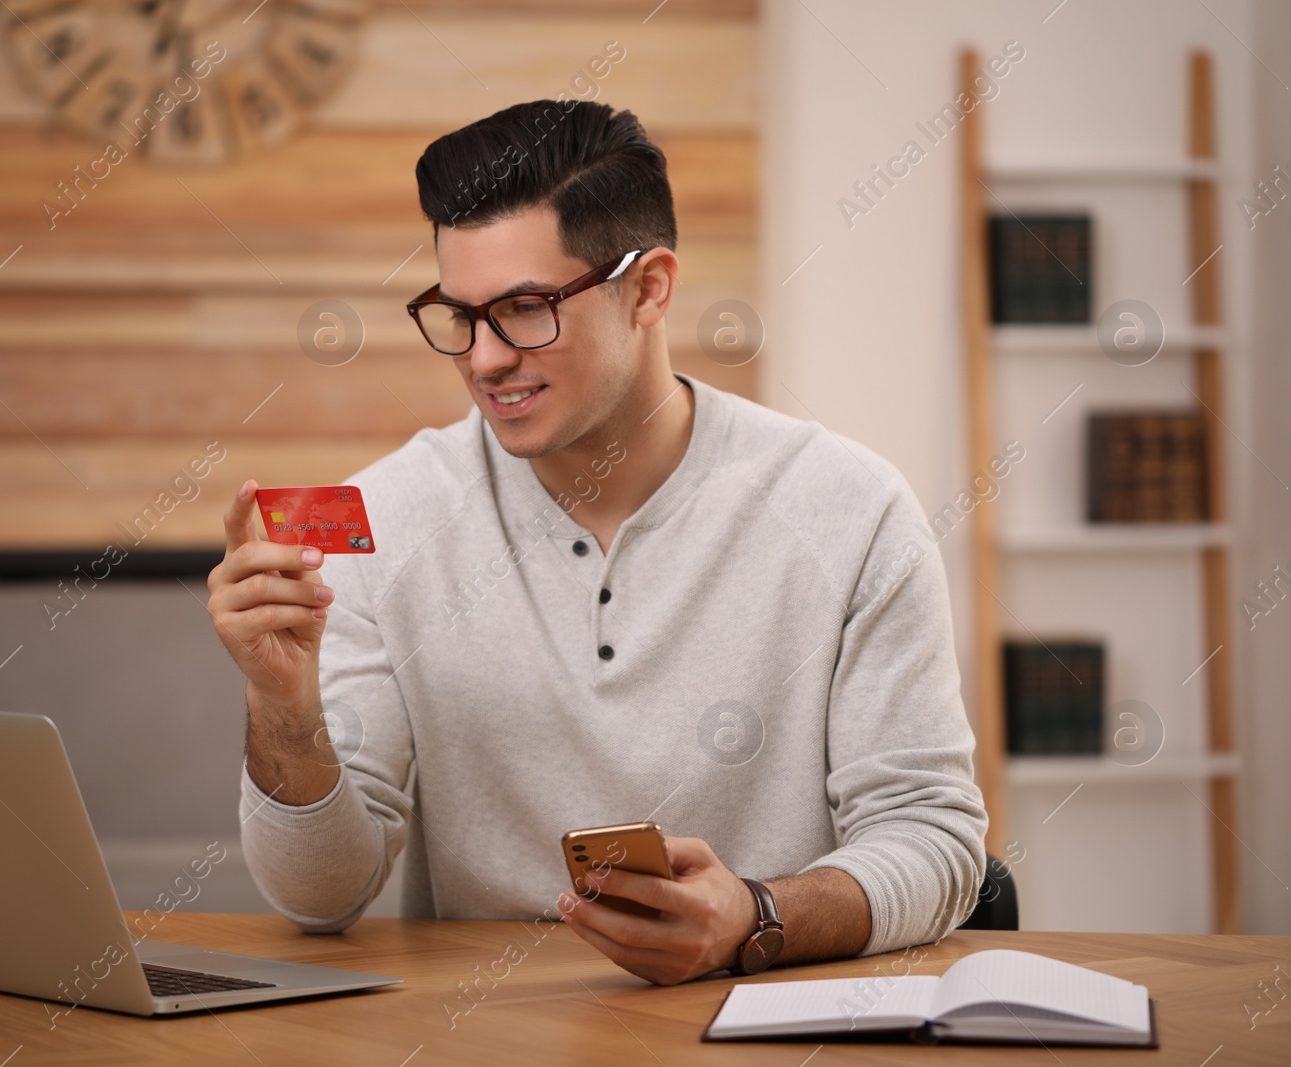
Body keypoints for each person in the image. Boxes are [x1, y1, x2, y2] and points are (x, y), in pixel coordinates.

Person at [207, 100, 988, 986]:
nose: (484, 359)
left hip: (764, 1023)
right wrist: (282, 704)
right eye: (458, 315)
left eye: (526, 308)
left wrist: (756, 917)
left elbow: (935, 838)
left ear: (650, 287)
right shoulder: (386, 518)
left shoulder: (852, 511)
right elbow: (322, 898)